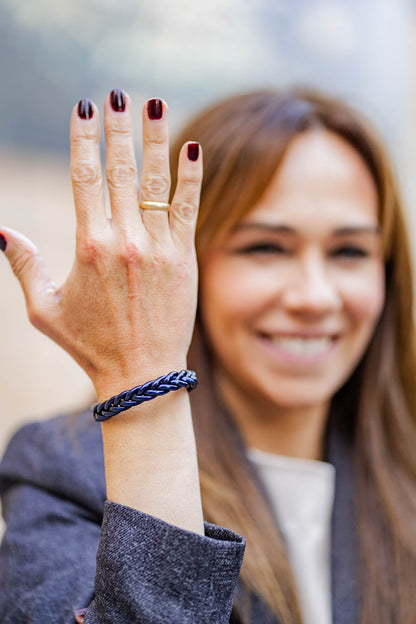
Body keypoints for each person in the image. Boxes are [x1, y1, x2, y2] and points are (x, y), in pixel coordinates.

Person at [0, 87, 415, 624]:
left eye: (349, 251)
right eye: (265, 247)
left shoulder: (401, 468)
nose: (315, 297)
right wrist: (142, 378)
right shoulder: (66, 474)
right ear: (179, 267)